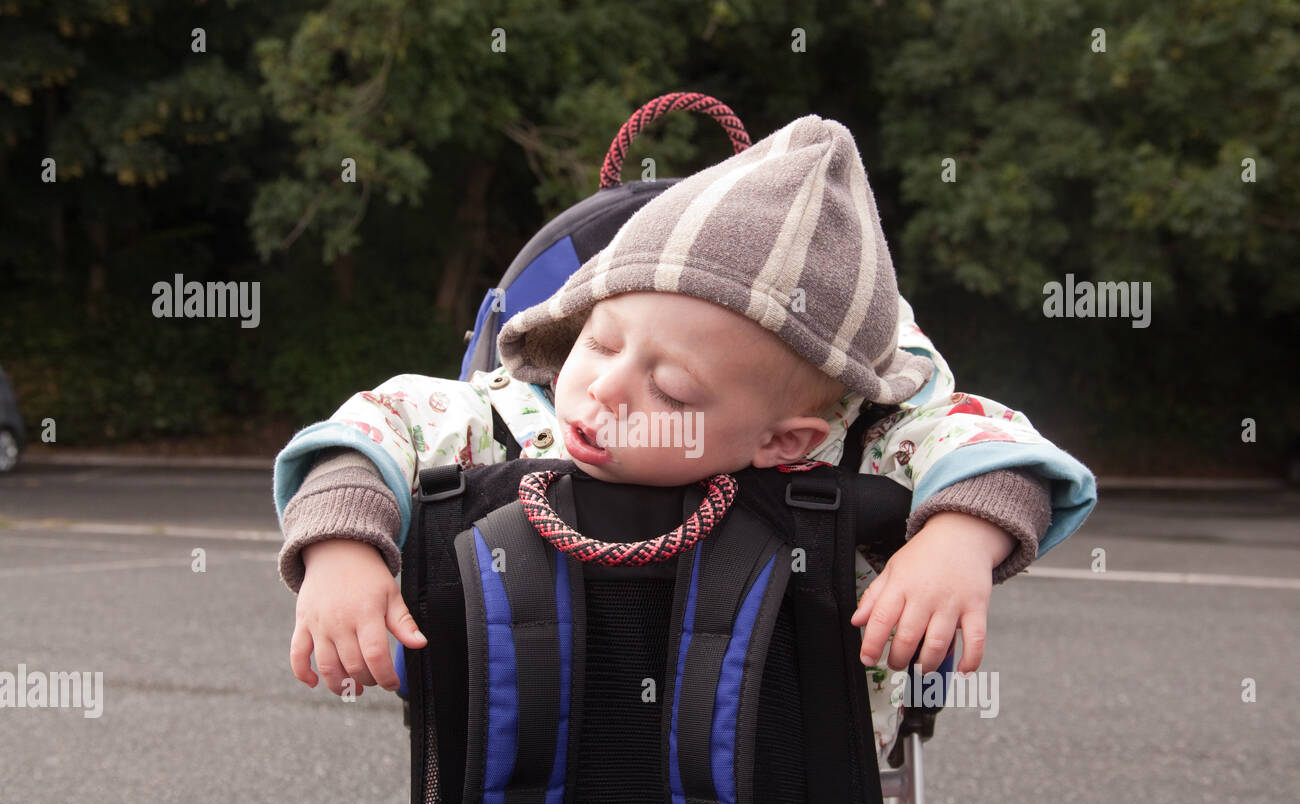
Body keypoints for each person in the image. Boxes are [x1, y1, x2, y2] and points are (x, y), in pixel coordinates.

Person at [272, 114, 1096, 756]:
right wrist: (343, 547)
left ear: (783, 439)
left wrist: (956, 538)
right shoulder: (512, 415)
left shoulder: (855, 444)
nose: (603, 387)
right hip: (529, 766)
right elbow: (374, 426)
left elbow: (990, 449)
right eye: (598, 340)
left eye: (669, 388)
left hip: (785, 774)